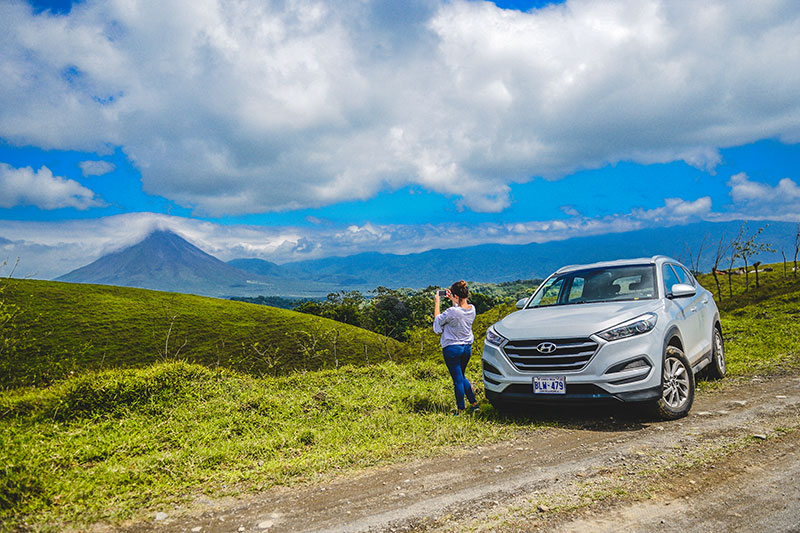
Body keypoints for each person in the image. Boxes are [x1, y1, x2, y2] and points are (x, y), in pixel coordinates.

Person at [433, 280, 480, 415]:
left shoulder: (452, 311)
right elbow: (459, 313)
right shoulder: (472, 309)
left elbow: (437, 324)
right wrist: (454, 301)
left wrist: (437, 303)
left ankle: (460, 410)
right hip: (466, 348)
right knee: (461, 376)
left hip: (452, 348)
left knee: (457, 380)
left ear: (456, 296)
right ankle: (474, 404)